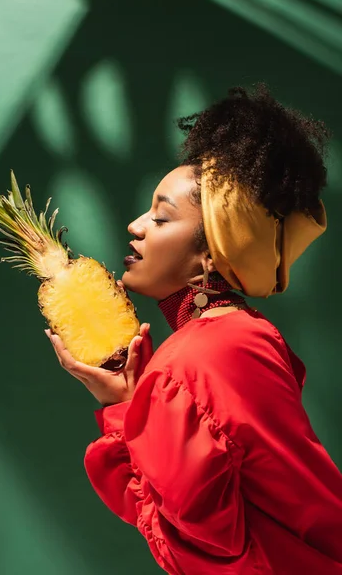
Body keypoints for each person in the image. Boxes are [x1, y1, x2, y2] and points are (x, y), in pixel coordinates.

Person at [46, 84, 342, 574]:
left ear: (212, 253)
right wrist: (129, 408)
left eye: (161, 217)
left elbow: (203, 549)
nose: (136, 226)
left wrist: (125, 411)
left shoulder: (190, 361)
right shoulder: (247, 334)